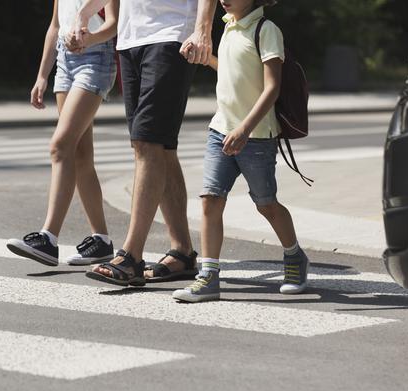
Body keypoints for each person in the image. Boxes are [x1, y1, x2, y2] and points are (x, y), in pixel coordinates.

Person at [173, 0, 310, 302]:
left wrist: (245, 130)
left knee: (266, 204)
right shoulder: (227, 27)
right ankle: (208, 276)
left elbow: (271, 87)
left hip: (257, 137)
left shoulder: (267, 30)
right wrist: (205, 58)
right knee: (210, 199)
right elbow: (230, 72)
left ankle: (295, 256)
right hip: (220, 130)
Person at [74, 0, 218, 287]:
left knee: (147, 143)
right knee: (161, 148)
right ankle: (182, 252)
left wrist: (203, 29)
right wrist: (84, 13)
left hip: (172, 34)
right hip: (131, 39)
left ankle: (131, 256)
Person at [6, 0, 119, 267]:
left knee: (60, 146)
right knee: (79, 154)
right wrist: (42, 75)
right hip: (64, 62)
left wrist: (89, 39)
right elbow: (55, 26)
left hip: (95, 59)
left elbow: (113, 24)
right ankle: (101, 241)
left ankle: (48, 238)